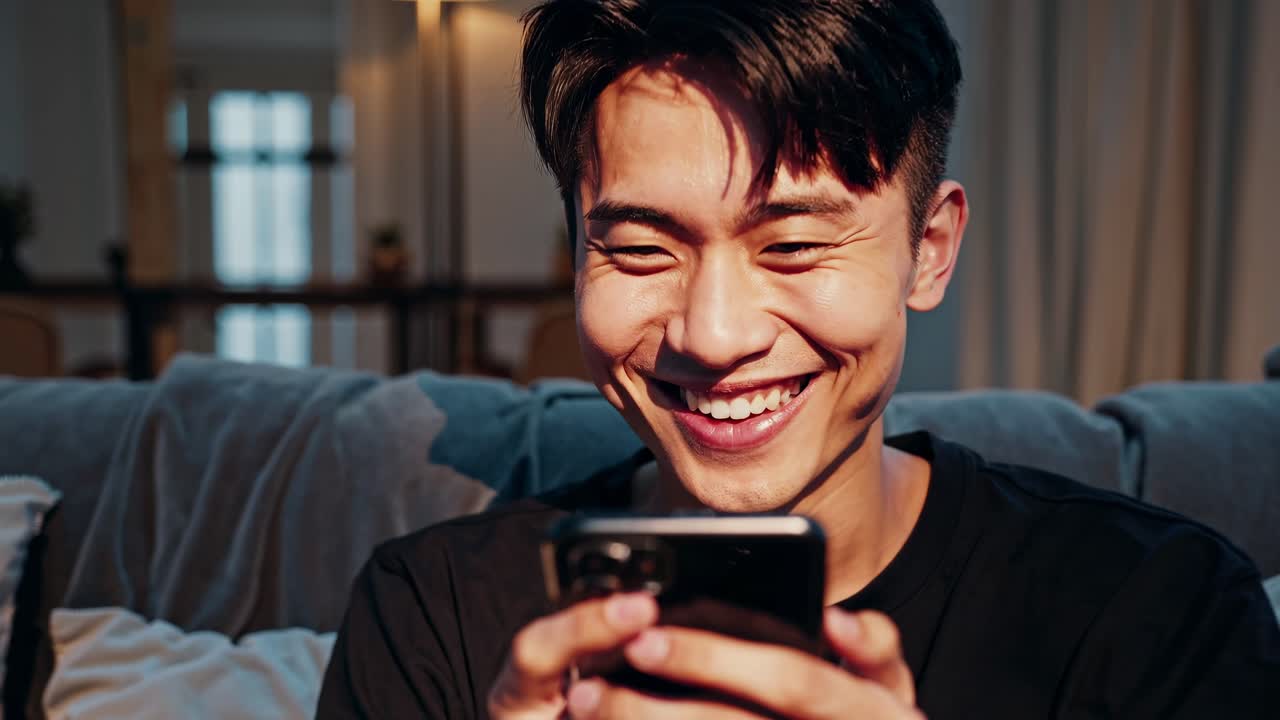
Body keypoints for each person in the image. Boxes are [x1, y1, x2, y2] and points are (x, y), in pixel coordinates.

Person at [317, 1, 1280, 717]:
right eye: (643, 250)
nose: (714, 334)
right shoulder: (432, 620)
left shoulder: (1160, 613)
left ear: (929, 250)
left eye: (795, 246)